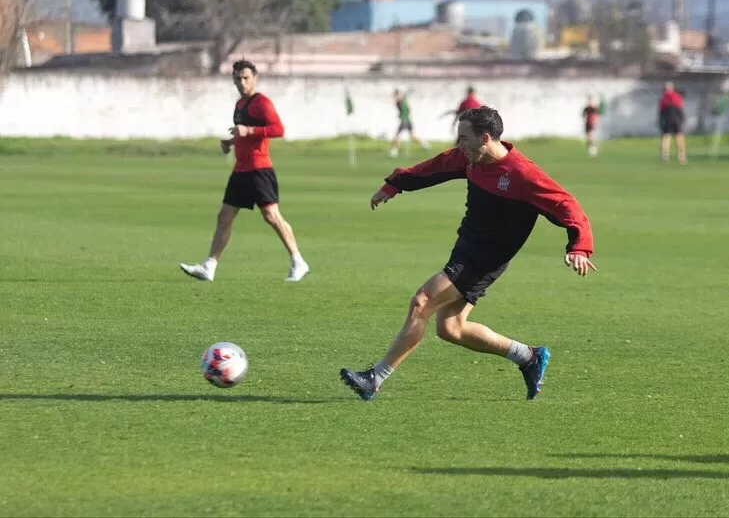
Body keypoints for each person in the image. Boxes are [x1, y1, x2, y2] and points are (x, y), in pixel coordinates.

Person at [339, 106, 596, 401]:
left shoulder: (522, 173)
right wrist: (394, 185)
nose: (459, 145)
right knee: (451, 328)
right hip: (466, 248)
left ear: (485, 138)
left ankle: (375, 378)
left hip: (484, 260)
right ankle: (528, 357)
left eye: (464, 138)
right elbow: (434, 167)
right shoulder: (469, 159)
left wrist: (579, 246)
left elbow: (566, 205)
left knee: (421, 302)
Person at [179, 59, 310, 282]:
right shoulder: (240, 105)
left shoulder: (262, 103)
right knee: (224, 216)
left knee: (270, 215)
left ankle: (298, 261)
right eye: (238, 78)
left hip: (259, 169)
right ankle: (209, 266)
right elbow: (244, 135)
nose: (242, 82)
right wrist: (231, 142)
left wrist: (247, 130)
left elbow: (278, 129)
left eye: (246, 78)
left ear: (255, 79)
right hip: (241, 169)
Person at [389, 89, 429, 158]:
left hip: (405, 121)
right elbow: (406, 109)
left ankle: (394, 151)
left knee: (396, 136)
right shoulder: (401, 101)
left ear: (399, 94)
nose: (396, 97)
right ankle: (424, 144)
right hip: (407, 120)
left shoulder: (402, 101)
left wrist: (402, 115)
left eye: (397, 95)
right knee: (412, 136)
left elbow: (407, 109)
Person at [659, 82, 686, 164]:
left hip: (668, 119)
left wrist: (661, 121)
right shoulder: (677, 96)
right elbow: (680, 109)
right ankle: (681, 157)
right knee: (679, 137)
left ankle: (665, 156)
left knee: (666, 138)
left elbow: (661, 112)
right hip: (676, 119)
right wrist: (682, 119)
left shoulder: (663, 98)